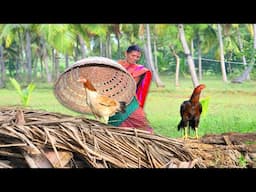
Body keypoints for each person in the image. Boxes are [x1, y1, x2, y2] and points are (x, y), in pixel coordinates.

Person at [108, 45, 153, 133]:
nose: (135, 58)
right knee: (117, 127)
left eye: (138, 57)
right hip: (115, 101)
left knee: (142, 124)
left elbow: (139, 87)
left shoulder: (140, 70)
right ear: (126, 53)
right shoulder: (116, 66)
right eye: (133, 55)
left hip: (131, 102)